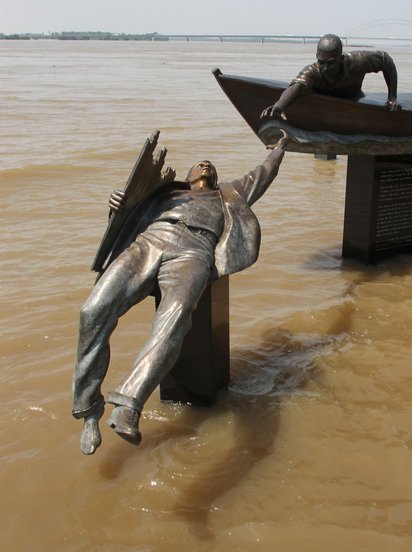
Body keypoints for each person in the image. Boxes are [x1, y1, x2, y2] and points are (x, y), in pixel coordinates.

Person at [72, 131, 288, 455]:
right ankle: (89, 411)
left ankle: (128, 405)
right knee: (93, 311)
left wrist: (281, 146)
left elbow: (264, 172)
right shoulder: (165, 195)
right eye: (199, 164)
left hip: (194, 254)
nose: (204, 165)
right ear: (186, 178)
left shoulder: (228, 195)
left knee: (172, 322)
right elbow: (127, 215)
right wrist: (117, 203)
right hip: (149, 243)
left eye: (210, 166)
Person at [261, 33, 399, 121]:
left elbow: (386, 61)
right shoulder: (313, 71)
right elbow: (297, 86)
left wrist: (392, 97)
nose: (325, 68)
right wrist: (280, 105)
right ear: (316, 57)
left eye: (331, 63)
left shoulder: (358, 61)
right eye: (321, 62)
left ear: (341, 58)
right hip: (327, 107)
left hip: (354, 99)